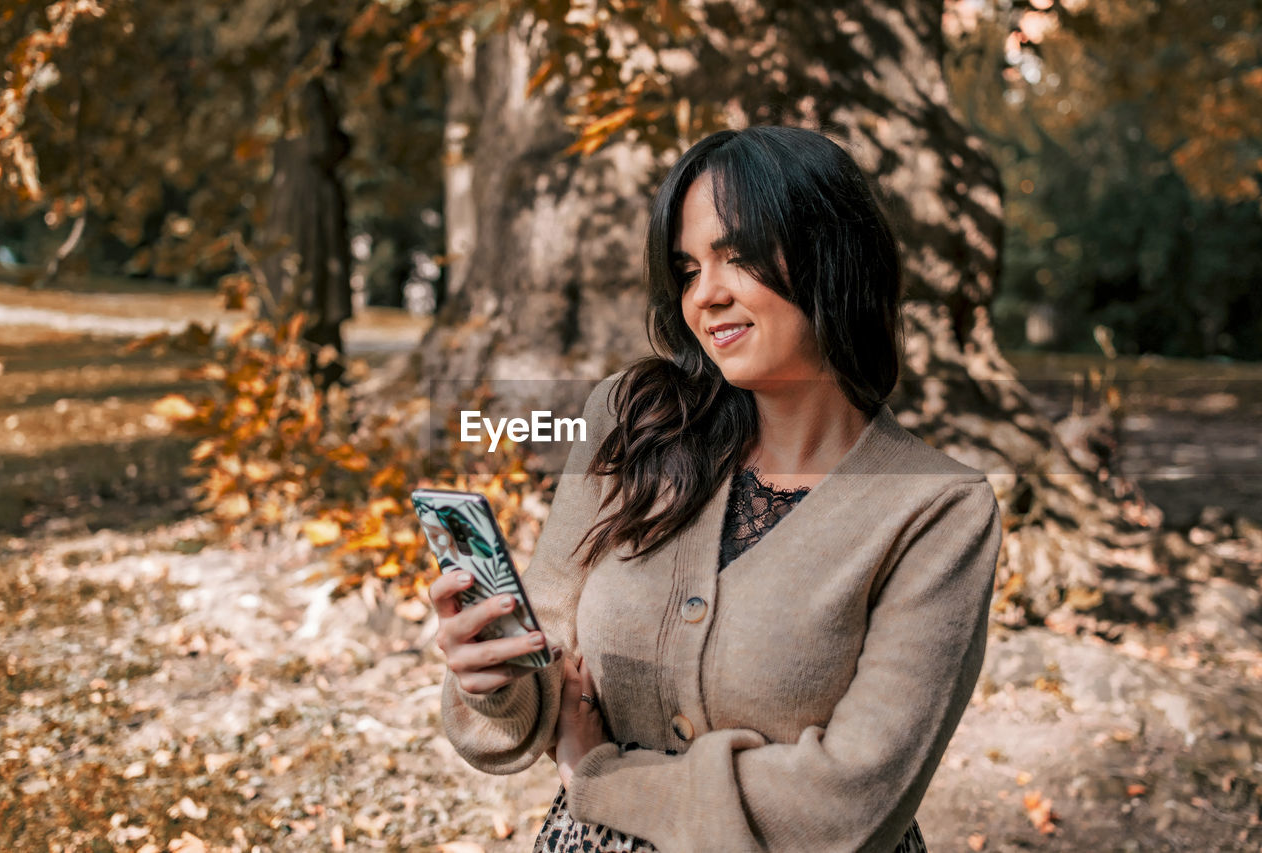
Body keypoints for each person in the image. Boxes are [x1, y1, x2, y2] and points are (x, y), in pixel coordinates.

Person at [428, 125, 1004, 853]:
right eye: (689, 268)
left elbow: (851, 802)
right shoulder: (631, 421)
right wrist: (492, 680)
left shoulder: (937, 511)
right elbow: (549, 676)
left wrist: (604, 779)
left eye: (737, 256)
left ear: (832, 256)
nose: (707, 295)